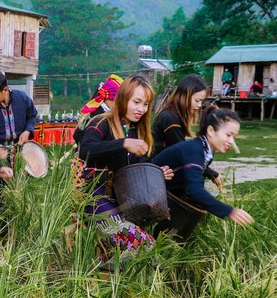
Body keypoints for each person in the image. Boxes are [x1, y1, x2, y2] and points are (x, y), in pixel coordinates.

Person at [78, 75, 173, 269]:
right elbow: (85, 149)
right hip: (93, 199)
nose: (141, 109)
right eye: (136, 102)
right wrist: (123, 143)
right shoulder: (101, 122)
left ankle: (113, 286)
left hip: (122, 201)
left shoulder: (138, 131)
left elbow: (142, 164)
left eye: (146, 104)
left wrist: (157, 172)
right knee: (145, 244)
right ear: (122, 98)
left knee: (124, 259)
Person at [152, 106, 253, 239]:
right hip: (149, 195)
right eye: (228, 135)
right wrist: (229, 211)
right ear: (211, 130)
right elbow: (194, 190)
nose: (231, 141)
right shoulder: (195, 150)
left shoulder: (203, 150)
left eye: (234, 137)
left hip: (162, 195)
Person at [151, 74, 222, 189]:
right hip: (159, 170)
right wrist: (212, 174)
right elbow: (184, 155)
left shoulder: (174, 115)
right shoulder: (171, 119)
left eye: (201, 101)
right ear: (185, 96)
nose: (199, 105)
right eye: (197, 100)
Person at [0, 69, 38, 159]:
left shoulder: (22, 98)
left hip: (20, 152)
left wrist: (27, 131)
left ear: (5, 90)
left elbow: (31, 116)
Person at [73, 74, 123, 145]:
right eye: (117, 99)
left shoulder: (112, 113)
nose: (120, 103)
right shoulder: (96, 116)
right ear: (108, 98)